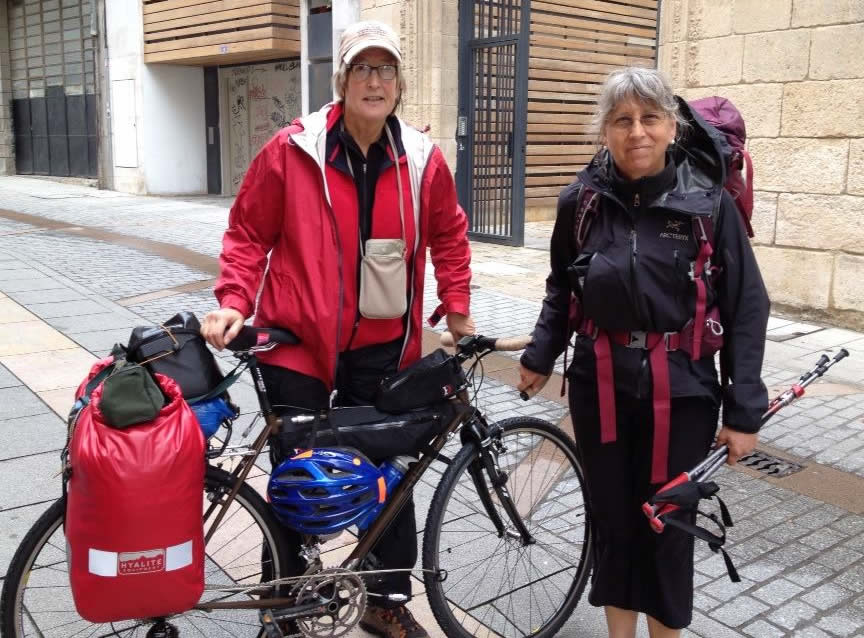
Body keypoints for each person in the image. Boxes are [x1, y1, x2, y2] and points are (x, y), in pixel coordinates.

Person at [201, 20, 473, 638]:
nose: (374, 81)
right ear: (342, 81)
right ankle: (284, 602)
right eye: (362, 69)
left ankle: (384, 598)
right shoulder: (293, 151)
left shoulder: (423, 160)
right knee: (297, 474)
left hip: (381, 345)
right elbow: (248, 233)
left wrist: (456, 306)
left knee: (389, 474)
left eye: (386, 70)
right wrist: (234, 300)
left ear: (399, 84)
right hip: (295, 344)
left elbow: (450, 234)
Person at [517, 67, 769, 638]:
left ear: (672, 127)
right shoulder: (579, 202)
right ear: (604, 130)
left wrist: (744, 409)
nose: (637, 132)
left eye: (650, 118)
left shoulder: (708, 205)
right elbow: (563, 285)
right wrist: (539, 354)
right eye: (622, 120)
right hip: (599, 386)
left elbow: (747, 304)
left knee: (668, 525)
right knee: (613, 523)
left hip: (683, 392)